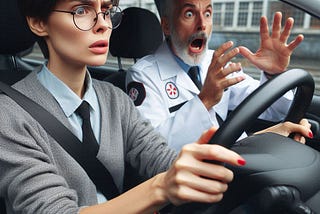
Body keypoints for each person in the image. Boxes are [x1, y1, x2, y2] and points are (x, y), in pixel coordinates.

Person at [0, 0, 250, 213]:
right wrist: (161, 187)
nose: (103, 25)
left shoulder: (115, 99)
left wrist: (263, 139)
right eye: (81, 10)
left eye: (107, 10)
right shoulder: (9, 115)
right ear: (39, 23)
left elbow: (162, 160)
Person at [126, 0, 312, 151]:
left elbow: (272, 109)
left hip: (235, 160)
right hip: (191, 180)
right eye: (189, 14)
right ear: (167, 26)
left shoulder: (214, 61)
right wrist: (204, 100)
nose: (202, 24)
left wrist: (274, 74)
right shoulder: (143, 76)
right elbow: (154, 151)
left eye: (207, 13)